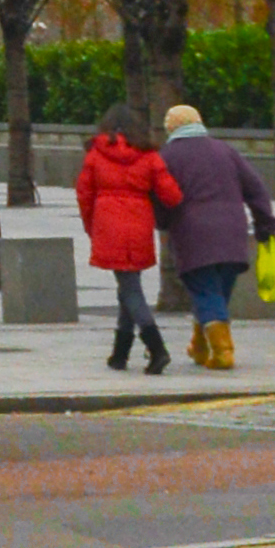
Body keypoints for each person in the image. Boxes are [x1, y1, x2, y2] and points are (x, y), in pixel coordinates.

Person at [156, 102, 275, 369]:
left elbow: (162, 199)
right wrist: (265, 223)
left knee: (205, 291)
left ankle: (223, 352)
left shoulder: (167, 156)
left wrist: (162, 223)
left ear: (170, 127)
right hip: (233, 233)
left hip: (193, 235)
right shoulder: (225, 150)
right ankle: (199, 347)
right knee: (217, 292)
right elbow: (256, 188)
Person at [74, 105, 182, 374]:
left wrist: (91, 226)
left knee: (130, 288)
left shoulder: (95, 155)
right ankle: (120, 353)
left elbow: (84, 195)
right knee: (129, 283)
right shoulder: (148, 155)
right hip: (139, 222)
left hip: (108, 221)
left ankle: (157, 349)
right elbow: (172, 195)